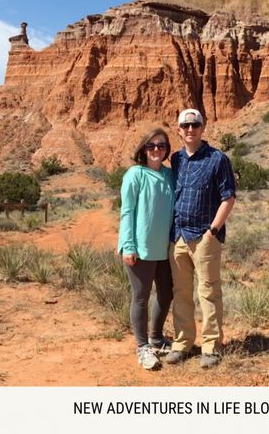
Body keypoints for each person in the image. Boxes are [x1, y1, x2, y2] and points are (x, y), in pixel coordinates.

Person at [166, 108, 236, 369]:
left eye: (195, 125)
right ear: (179, 129)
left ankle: (211, 347)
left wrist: (213, 232)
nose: (190, 129)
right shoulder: (176, 159)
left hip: (205, 237)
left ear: (203, 127)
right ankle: (183, 343)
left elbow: (228, 197)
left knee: (208, 292)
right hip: (179, 236)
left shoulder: (217, 159)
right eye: (185, 125)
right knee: (181, 292)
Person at [118, 127, 174, 371]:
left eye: (161, 146)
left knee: (166, 293)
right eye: (151, 146)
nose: (156, 150)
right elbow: (127, 211)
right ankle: (142, 347)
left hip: (165, 249)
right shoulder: (135, 174)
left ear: (166, 150)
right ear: (143, 149)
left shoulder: (170, 175)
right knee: (140, 298)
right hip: (140, 249)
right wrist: (128, 245)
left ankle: (157, 338)